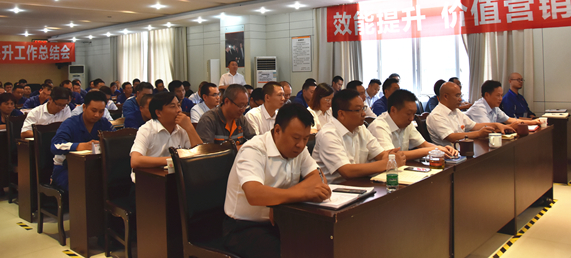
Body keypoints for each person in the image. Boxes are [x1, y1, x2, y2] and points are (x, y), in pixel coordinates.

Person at [223, 104, 331, 258]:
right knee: (289, 253)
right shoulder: (253, 150)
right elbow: (254, 194)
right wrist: (302, 194)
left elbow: (318, 179)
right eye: (296, 138)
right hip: (244, 227)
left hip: (283, 220)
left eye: (306, 138)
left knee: (323, 242)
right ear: (278, 130)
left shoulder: (299, 149)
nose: (301, 144)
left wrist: (279, 204)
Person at [312, 89, 407, 184]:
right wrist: (388, 163)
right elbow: (347, 171)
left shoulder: (361, 128)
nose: (364, 113)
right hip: (335, 189)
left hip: (359, 184)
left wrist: (392, 157)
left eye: (363, 108)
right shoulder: (328, 134)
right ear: (341, 114)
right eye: (358, 110)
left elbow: (381, 155)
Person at [130, 92, 202, 182]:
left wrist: (190, 128)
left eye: (179, 106)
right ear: (158, 113)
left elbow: (200, 155)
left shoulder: (182, 128)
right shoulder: (146, 130)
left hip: (176, 179)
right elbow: (135, 160)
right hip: (148, 181)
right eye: (173, 107)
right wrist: (173, 160)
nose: (179, 110)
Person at [50, 91, 114, 191]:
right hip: (66, 169)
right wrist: (79, 146)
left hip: (96, 167)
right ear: (84, 107)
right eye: (93, 110)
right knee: (86, 184)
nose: (97, 115)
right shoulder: (70, 123)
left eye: (101, 111)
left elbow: (115, 140)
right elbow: (55, 145)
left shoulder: (104, 123)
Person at [369, 89, 457, 159]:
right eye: (408, 113)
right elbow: (391, 156)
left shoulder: (407, 123)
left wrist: (442, 149)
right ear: (393, 110)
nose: (412, 118)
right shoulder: (379, 126)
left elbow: (423, 144)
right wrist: (434, 149)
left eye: (414, 114)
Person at [426, 82, 507, 147]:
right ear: (446, 97)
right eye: (457, 96)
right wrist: (478, 133)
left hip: (462, 151)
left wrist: (496, 125)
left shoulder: (456, 111)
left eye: (460, 95)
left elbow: (474, 126)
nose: (460, 99)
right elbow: (451, 137)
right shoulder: (436, 115)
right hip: (448, 157)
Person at [467, 80, 541, 130]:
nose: (501, 99)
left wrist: (534, 122)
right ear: (487, 95)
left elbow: (509, 120)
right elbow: (488, 130)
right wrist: (510, 127)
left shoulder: (494, 107)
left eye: (501, 95)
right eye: (498, 95)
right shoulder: (479, 108)